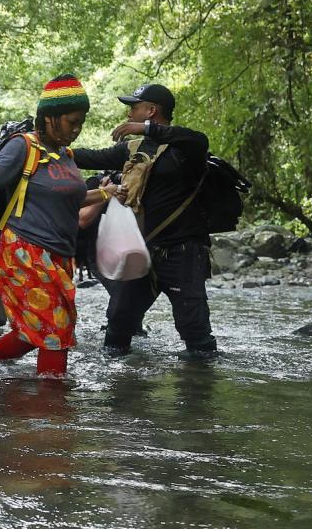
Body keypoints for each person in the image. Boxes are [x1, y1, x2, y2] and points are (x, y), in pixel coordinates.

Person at [0, 75, 114, 378]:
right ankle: (51, 411)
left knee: (34, 330)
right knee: (54, 333)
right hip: (24, 252)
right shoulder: (23, 146)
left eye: (81, 122)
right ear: (50, 119)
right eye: (72, 122)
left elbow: (73, 197)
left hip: (59, 256)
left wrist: (110, 193)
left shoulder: (66, 155)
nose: (77, 129)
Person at [71, 83, 217, 358]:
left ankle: (200, 394)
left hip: (182, 254)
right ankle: (121, 390)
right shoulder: (133, 148)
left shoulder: (186, 149)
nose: (129, 114)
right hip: (142, 253)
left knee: (196, 336)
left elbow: (198, 140)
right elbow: (89, 156)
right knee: (118, 325)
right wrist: (50, 147)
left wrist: (148, 129)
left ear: (150, 111)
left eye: (133, 107)